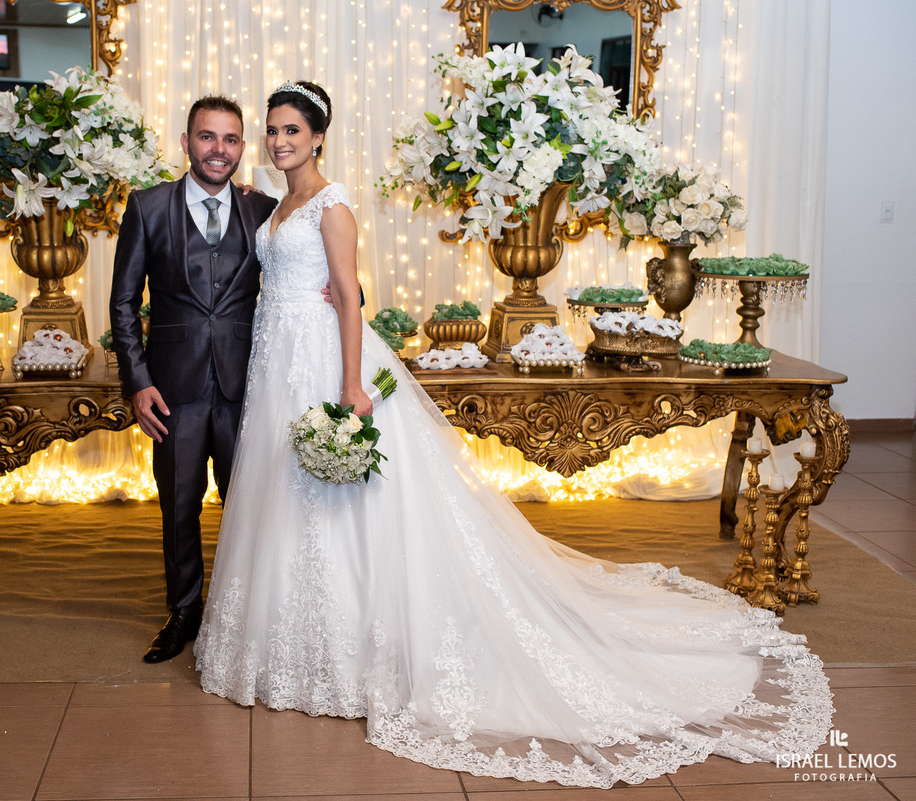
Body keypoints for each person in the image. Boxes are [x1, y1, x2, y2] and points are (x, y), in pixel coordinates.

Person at [193, 81, 833, 788]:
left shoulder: (332, 205)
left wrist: (351, 385)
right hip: (274, 358)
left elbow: (348, 295)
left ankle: (354, 651)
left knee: (338, 498)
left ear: (318, 136)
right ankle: (291, 642)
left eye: (293, 130)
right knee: (285, 495)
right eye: (274, 130)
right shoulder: (272, 201)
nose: (281, 140)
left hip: (320, 358)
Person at [109, 96, 278, 663]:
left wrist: (338, 294)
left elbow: (307, 278)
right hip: (172, 391)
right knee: (178, 506)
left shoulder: (266, 211)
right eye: (208, 137)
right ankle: (182, 613)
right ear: (186, 142)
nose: (219, 150)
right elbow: (124, 304)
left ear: (242, 148)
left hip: (247, 388)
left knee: (246, 506)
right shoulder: (148, 207)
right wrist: (137, 381)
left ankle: (242, 618)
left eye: (230, 140)